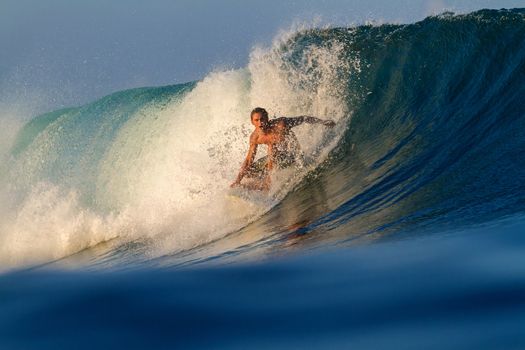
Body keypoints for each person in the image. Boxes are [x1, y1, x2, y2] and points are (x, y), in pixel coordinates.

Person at [231, 107, 335, 191]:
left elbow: (303, 119)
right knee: (248, 171)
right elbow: (249, 160)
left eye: (262, 119)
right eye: (256, 120)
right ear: (252, 122)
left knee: (272, 147)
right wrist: (237, 180)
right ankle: (258, 185)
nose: (260, 123)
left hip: (292, 155)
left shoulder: (281, 124)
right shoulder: (255, 137)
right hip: (275, 158)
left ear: (267, 118)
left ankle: (268, 182)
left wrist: (323, 122)